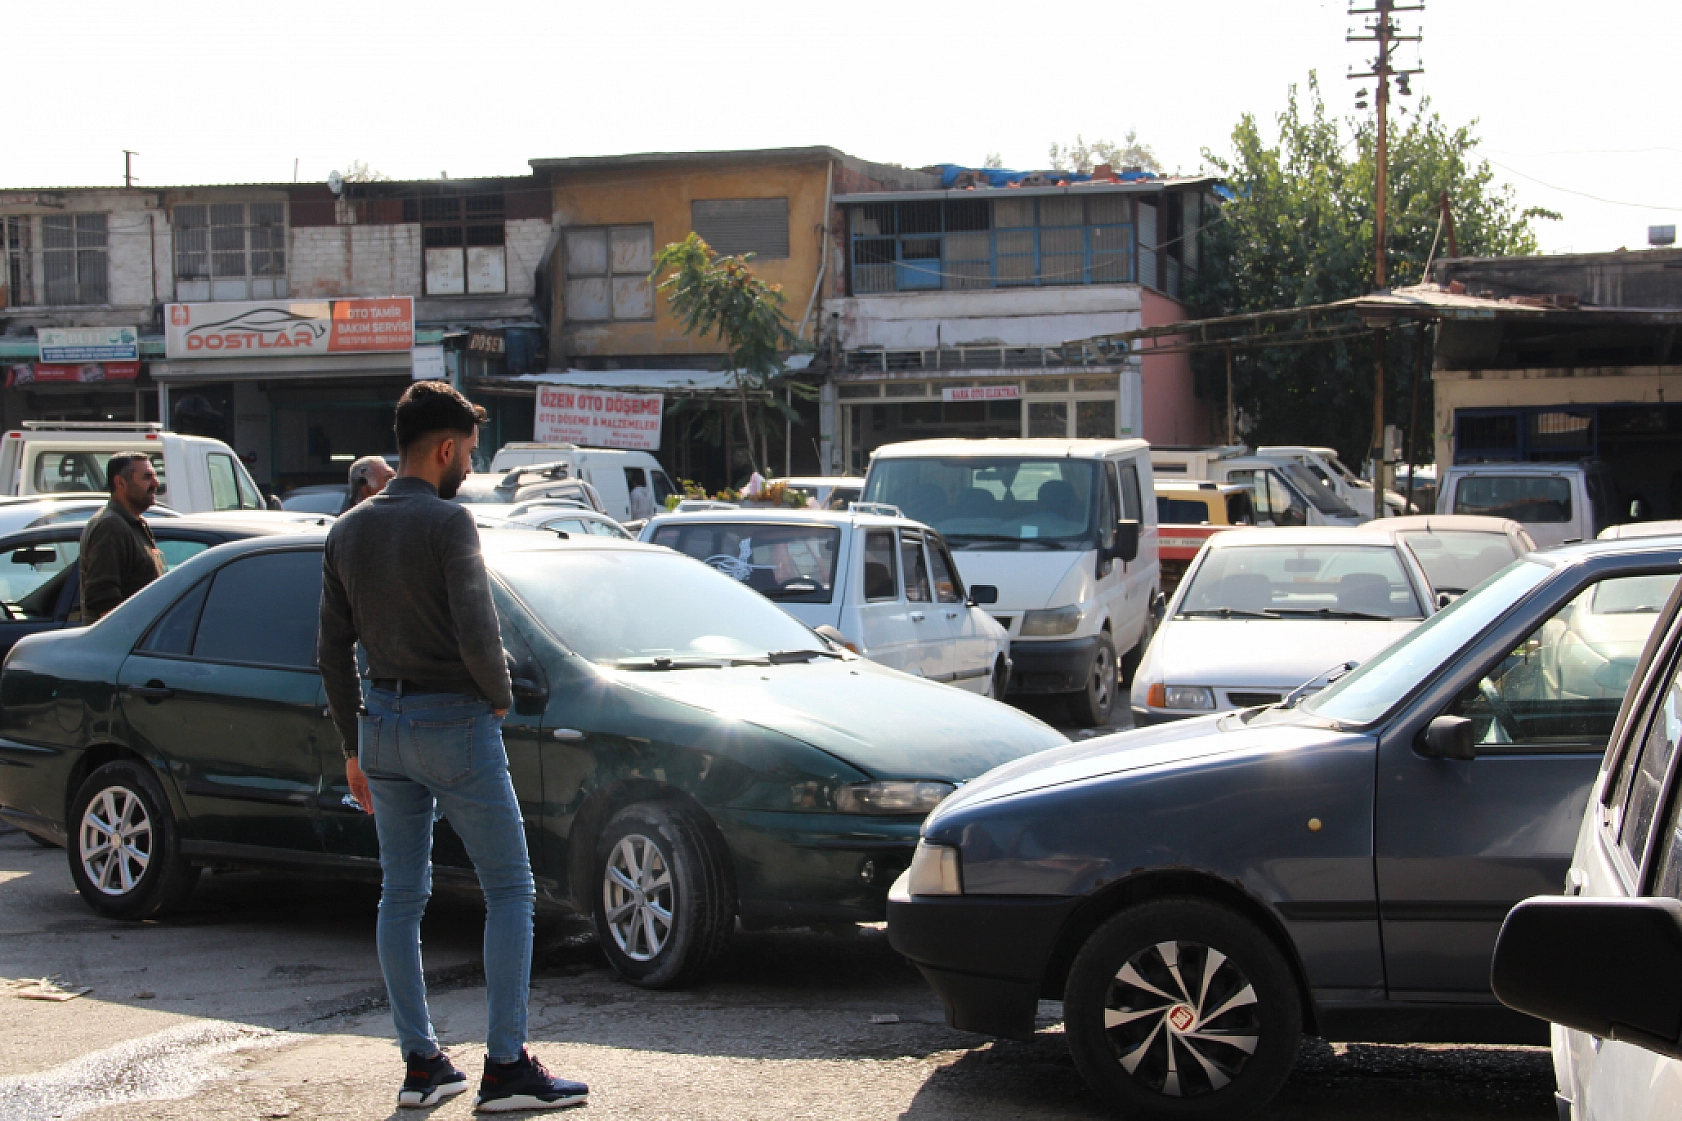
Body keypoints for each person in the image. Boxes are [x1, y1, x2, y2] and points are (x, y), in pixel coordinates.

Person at [317, 381, 588, 1112]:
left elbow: (330, 650)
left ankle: (421, 1062)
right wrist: (498, 694)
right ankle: (504, 1066)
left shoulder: (346, 530)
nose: (469, 463)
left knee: (401, 895)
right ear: (443, 448)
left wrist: (353, 741)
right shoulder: (449, 522)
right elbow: (478, 630)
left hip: (381, 726)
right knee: (511, 888)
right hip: (454, 725)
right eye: (467, 450)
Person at [78, 451, 165, 622]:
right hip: (119, 644)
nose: (156, 483)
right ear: (120, 483)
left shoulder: (133, 522)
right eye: (147, 477)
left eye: (154, 476)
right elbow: (103, 599)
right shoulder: (110, 526)